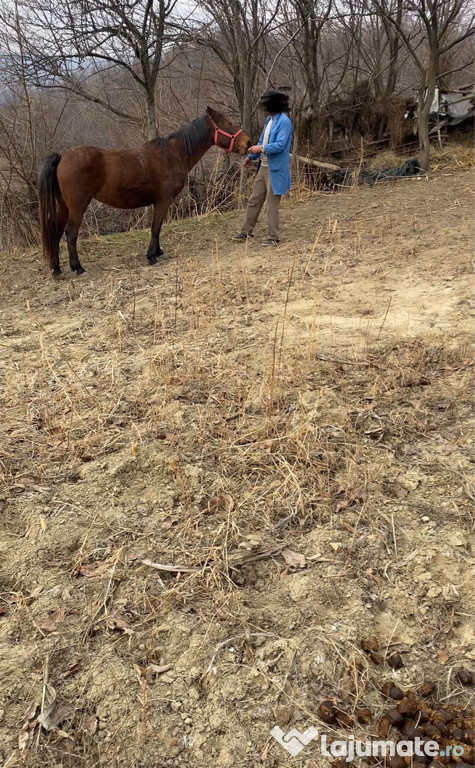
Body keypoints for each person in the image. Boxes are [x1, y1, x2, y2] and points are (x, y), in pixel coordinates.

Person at [232, 89, 293, 246]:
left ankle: (274, 237)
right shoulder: (269, 120)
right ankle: (245, 232)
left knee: (272, 205)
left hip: (276, 169)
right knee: (254, 200)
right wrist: (251, 157)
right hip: (263, 167)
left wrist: (261, 149)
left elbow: (279, 145)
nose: (265, 106)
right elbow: (261, 142)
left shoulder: (284, 122)